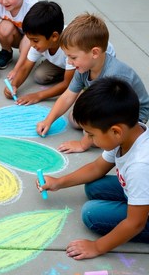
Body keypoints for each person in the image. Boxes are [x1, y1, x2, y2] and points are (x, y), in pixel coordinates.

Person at [37, 77, 149, 260]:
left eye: (91, 134)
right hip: (140, 191)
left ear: (115, 131)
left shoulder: (140, 165)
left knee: (91, 213)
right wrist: (59, 182)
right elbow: (97, 168)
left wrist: (97, 247)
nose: (88, 139)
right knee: (94, 186)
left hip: (143, 218)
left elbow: (135, 223)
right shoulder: (129, 135)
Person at [36, 13, 149, 153]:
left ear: (94, 53)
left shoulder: (114, 76)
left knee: (91, 133)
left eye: (73, 57)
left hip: (133, 115)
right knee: (75, 119)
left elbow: (108, 115)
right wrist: (48, 120)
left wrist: (83, 144)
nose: (69, 62)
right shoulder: (84, 67)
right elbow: (68, 95)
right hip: (106, 106)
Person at [3, 1, 74, 105]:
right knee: (40, 76)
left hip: (81, 64)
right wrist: (14, 85)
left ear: (54, 37)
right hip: (64, 62)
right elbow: (26, 67)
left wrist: (38, 95)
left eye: (35, 40)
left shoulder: (71, 46)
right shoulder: (41, 39)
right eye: (30, 39)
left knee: (76, 83)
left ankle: (72, 73)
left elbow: (67, 84)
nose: (31, 44)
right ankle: (68, 71)